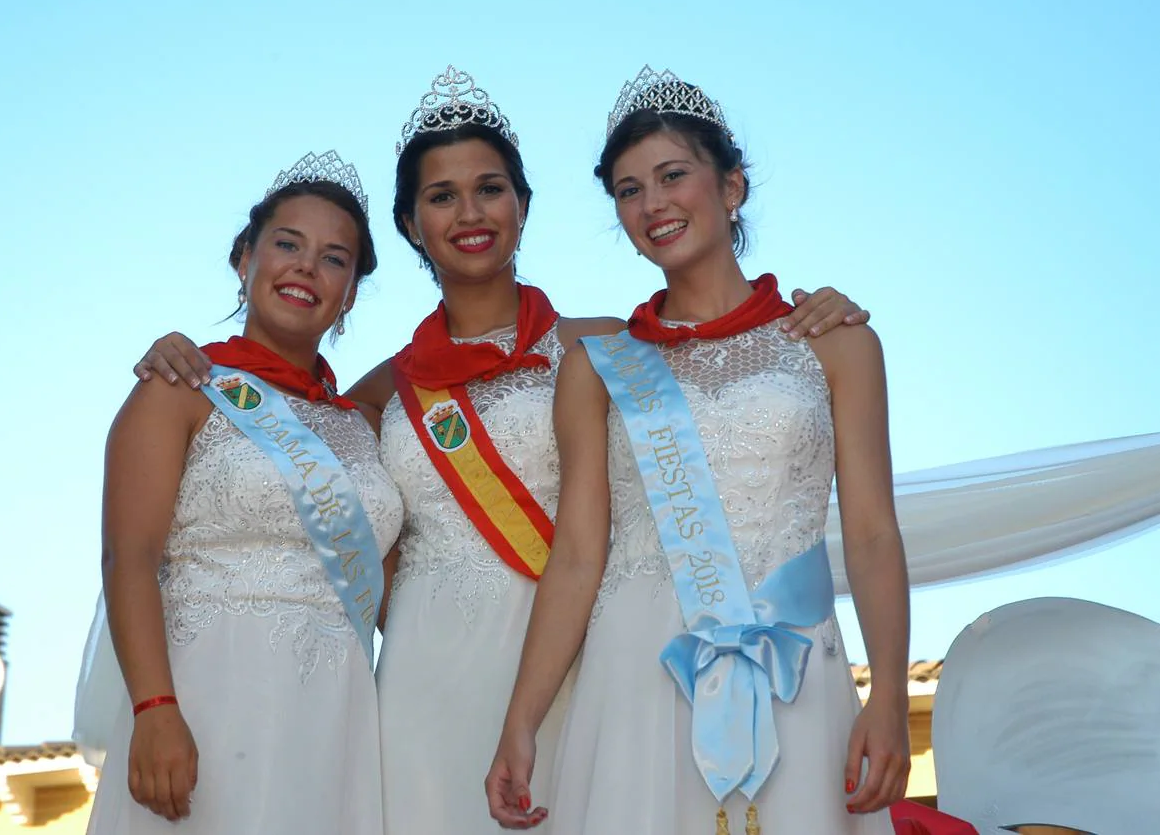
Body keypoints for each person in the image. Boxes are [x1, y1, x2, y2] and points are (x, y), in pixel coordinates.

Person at [131, 67, 870, 835]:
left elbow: (725, 372)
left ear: (522, 205)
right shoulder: (378, 393)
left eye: (489, 188)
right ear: (411, 224)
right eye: (440, 196)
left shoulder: (613, 351)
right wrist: (187, 357)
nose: (468, 213)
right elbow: (312, 503)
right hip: (425, 681)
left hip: (586, 669)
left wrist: (812, 312)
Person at [485, 67, 911, 835]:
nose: (651, 204)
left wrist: (885, 694)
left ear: (732, 186)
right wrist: (522, 718)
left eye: (672, 176)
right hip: (636, 670)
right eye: (626, 190)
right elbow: (579, 555)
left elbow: (874, 534)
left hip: (793, 670)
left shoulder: (836, 343)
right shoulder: (597, 366)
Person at [81, 151, 403, 834]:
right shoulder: (180, 388)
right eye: (287, 244)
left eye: (334, 258)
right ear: (243, 260)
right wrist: (153, 708)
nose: (305, 267)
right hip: (208, 694)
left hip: (336, 719)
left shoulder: (361, 423)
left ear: (349, 294)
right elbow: (127, 557)